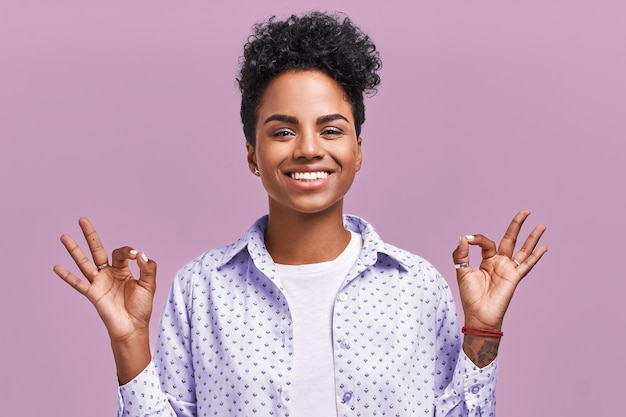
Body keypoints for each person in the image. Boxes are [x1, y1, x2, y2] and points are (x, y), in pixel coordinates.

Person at [54, 11, 547, 417]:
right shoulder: (199, 289)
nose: (309, 149)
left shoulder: (417, 286)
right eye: (283, 131)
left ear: (358, 150)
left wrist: (482, 331)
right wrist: (129, 340)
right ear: (252, 153)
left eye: (331, 130)